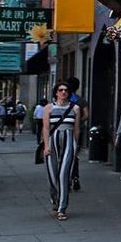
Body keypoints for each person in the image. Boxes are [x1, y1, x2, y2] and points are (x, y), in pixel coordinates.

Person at [43, 82, 81, 221]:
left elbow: (77, 128)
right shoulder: (49, 108)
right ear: (56, 92)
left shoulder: (75, 108)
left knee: (64, 174)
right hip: (53, 141)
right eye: (61, 90)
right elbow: (46, 128)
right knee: (52, 174)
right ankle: (55, 199)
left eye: (66, 90)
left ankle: (62, 208)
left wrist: (76, 145)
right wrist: (46, 145)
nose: (63, 92)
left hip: (69, 140)